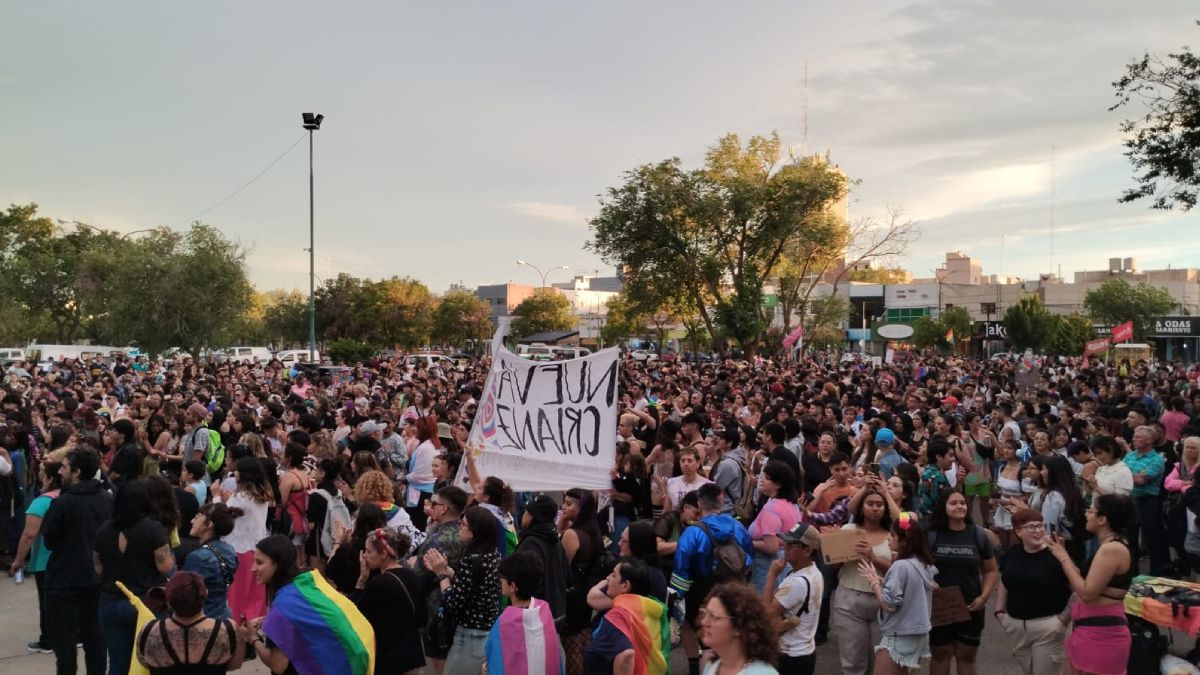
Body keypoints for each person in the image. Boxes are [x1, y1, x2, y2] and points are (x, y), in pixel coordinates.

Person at [240, 534, 374, 675]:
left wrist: (253, 638)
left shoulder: (283, 605)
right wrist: (269, 619)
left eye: (260, 562)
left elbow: (277, 665)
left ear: (277, 564)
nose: (252, 568)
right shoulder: (309, 581)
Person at [1047, 494, 1137, 675]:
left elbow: (1088, 592)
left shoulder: (1111, 549)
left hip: (1102, 633)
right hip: (1090, 627)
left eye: (1090, 510)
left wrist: (1063, 557)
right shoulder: (1108, 545)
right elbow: (1084, 581)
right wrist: (1063, 554)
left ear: (1103, 519)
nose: (1086, 514)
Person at [42, 447, 113, 675]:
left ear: (77, 471)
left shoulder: (63, 503)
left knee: (65, 646)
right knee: (95, 640)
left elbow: (50, 540)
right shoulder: (107, 499)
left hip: (64, 581)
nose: (60, 471)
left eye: (64, 467)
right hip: (97, 580)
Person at [670, 483, 753, 675]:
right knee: (731, 641)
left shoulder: (693, 532)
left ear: (699, 504)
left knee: (708, 646)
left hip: (701, 595)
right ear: (721, 501)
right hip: (735, 591)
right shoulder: (738, 527)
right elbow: (748, 558)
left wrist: (677, 600)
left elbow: (682, 570)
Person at [95, 479, 176, 675]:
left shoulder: (104, 530)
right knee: (153, 662)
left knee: (117, 663)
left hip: (111, 601)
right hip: (146, 603)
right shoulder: (153, 528)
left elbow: (98, 567)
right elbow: (165, 566)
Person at [422, 505, 502, 675]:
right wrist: (448, 570)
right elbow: (472, 585)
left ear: (473, 532)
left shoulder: (471, 561)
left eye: (463, 524)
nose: (459, 527)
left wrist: (441, 574)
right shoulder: (493, 554)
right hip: (487, 631)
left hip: (470, 636)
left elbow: (452, 602)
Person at [926, 489, 997, 675]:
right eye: (954, 503)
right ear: (943, 507)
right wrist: (927, 582)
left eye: (963, 503)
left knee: (967, 656)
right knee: (941, 654)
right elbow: (917, 566)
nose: (960, 506)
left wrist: (984, 597)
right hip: (940, 605)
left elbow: (990, 570)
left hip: (971, 605)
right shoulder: (931, 535)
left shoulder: (979, 535)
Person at [857, 513, 938, 675]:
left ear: (904, 540)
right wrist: (882, 582)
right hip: (917, 633)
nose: (889, 539)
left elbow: (889, 603)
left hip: (898, 634)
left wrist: (874, 584)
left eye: (893, 535)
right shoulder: (923, 563)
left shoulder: (900, 566)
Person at [994, 509, 1071, 675]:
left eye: (1040, 526)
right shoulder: (1012, 553)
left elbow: (1077, 588)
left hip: (1048, 626)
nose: (1038, 531)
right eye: (1031, 527)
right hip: (1016, 626)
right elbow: (1005, 580)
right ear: (1018, 532)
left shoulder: (1056, 554)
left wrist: (1063, 620)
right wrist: (999, 611)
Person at [830, 485, 893, 675]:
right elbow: (833, 566)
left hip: (884, 602)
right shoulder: (848, 530)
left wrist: (873, 558)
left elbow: (899, 570)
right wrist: (839, 549)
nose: (875, 508)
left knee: (882, 662)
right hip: (850, 600)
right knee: (853, 662)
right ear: (861, 507)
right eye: (870, 504)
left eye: (879, 505)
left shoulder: (893, 536)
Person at [135, 571, 245, 675]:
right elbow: (235, 665)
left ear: (169, 599)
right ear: (205, 593)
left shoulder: (149, 630)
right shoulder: (228, 629)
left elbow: (144, 663)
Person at [351, 527, 427, 675]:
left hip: (389, 661)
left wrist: (361, 582)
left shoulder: (378, 584)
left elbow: (356, 618)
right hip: (413, 658)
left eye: (368, 551)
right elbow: (422, 618)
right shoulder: (412, 576)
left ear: (384, 554)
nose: (364, 556)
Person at [10, 458, 63, 654]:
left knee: (48, 602)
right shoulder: (69, 497)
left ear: (49, 478)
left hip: (46, 559)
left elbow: (29, 535)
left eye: (42, 471)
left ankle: (48, 640)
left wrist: (18, 560)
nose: (39, 473)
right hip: (69, 558)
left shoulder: (42, 502)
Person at [583, 559, 668, 675]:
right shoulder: (649, 610)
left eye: (613, 575)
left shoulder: (618, 616)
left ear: (625, 586)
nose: (608, 578)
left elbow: (626, 655)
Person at [486, 551, 565, 675]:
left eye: (503, 577)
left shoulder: (505, 623)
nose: (500, 580)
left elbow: (497, 660)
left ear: (513, 586)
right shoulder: (544, 611)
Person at [766, 523, 824, 675]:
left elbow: (765, 615)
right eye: (786, 542)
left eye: (792, 544)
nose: (785, 547)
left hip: (790, 656)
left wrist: (771, 576)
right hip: (804, 652)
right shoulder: (814, 572)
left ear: (808, 550)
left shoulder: (797, 583)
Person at [223, 457, 272, 623]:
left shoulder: (241, 497)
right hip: (257, 546)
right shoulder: (261, 494)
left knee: (237, 594)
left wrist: (217, 497)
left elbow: (224, 514)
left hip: (239, 548)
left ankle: (234, 626)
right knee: (255, 594)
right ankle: (254, 627)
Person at [699, 582, 780, 675]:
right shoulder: (711, 667)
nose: (704, 622)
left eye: (714, 616)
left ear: (738, 626)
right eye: (705, 613)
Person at [513, 493, 570, 622]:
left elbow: (526, 581)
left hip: (534, 616)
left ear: (535, 517)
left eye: (527, 512)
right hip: (555, 611)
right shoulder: (555, 541)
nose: (524, 515)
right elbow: (567, 575)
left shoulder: (531, 543)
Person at [748, 460, 801, 591]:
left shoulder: (772, 509)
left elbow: (771, 547)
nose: (761, 480)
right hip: (785, 566)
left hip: (768, 570)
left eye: (766, 478)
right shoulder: (791, 504)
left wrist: (745, 541)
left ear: (777, 485)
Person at [183, 503, 241, 620]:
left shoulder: (197, 557)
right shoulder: (229, 551)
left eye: (198, 516)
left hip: (202, 619)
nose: (192, 521)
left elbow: (187, 595)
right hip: (224, 615)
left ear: (209, 524)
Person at [1125, 424, 1169, 575]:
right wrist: (1133, 475)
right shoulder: (1130, 455)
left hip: (1148, 501)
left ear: (1149, 440)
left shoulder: (1157, 459)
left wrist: (1127, 474)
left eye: (1138, 437)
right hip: (1130, 501)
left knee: (1151, 538)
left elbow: (1141, 480)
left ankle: (1157, 573)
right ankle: (1132, 573)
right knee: (1130, 538)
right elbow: (1128, 476)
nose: (1133, 439)